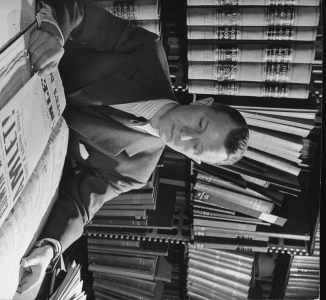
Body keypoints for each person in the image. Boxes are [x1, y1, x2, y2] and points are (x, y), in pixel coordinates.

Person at [17, 0, 249, 294]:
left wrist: (49, 250)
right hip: (17, 60)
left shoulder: (137, 169)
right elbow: (79, 13)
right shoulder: (146, 51)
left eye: (197, 148)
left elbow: (81, 204)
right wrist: (54, 33)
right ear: (202, 103)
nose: (185, 135)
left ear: (195, 160)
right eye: (201, 124)